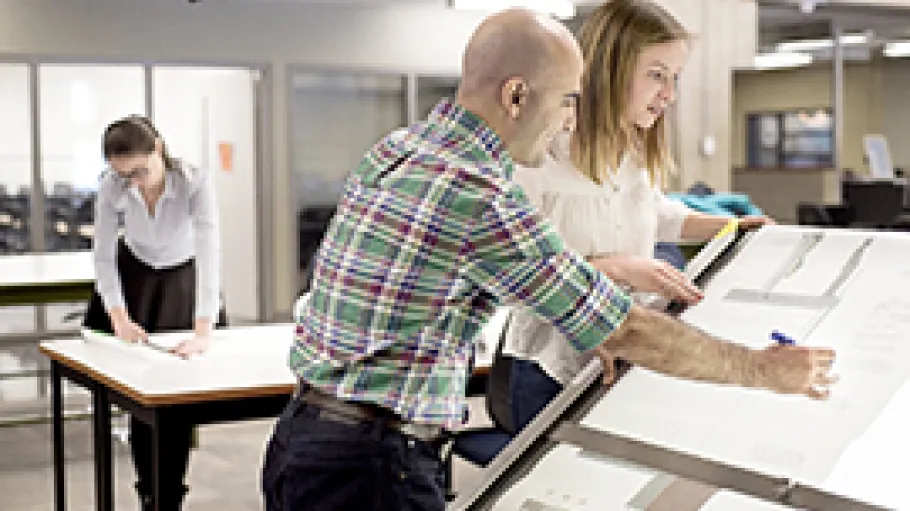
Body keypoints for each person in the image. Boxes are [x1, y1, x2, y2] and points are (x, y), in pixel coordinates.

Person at [261, 8, 835, 511]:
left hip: (302, 437)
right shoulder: (482, 196)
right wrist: (761, 369)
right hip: (370, 465)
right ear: (516, 96)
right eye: (566, 101)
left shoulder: (400, 148)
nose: (569, 119)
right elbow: (623, 326)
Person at [499, 0, 778, 435]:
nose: (669, 94)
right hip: (550, 371)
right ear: (610, 68)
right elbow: (506, 277)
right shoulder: (538, 156)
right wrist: (609, 268)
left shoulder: (631, 151)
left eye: (675, 79)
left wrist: (731, 228)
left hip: (625, 358)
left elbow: (657, 214)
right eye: (656, 75)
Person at [82, 115, 225, 511]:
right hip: (134, 276)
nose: (135, 182)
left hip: (182, 276)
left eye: (141, 171)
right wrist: (118, 316)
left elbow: (210, 250)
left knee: (176, 394)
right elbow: (105, 254)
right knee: (137, 391)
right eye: (125, 175)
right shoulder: (112, 187)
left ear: (158, 149)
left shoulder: (195, 181)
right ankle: (149, 491)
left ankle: (170, 493)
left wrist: (202, 330)